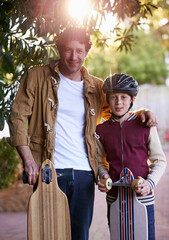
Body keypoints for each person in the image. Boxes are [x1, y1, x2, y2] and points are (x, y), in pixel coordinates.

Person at [7, 28, 157, 240]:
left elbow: (118, 110)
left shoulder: (95, 86)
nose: (73, 57)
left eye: (79, 51)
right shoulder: (37, 76)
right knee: (47, 233)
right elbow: (18, 116)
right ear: (60, 50)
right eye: (68, 50)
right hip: (50, 171)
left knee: (80, 235)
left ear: (87, 51)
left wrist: (143, 112)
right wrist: (28, 159)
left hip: (85, 174)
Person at [95, 73, 167, 240]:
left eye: (123, 97)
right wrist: (103, 175)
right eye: (113, 97)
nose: (118, 102)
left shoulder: (145, 125)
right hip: (114, 198)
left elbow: (160, 160)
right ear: (107, 99)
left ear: (132, 99)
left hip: (142, 197)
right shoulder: (101, 131)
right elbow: (100, 162)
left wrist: (150, 183)